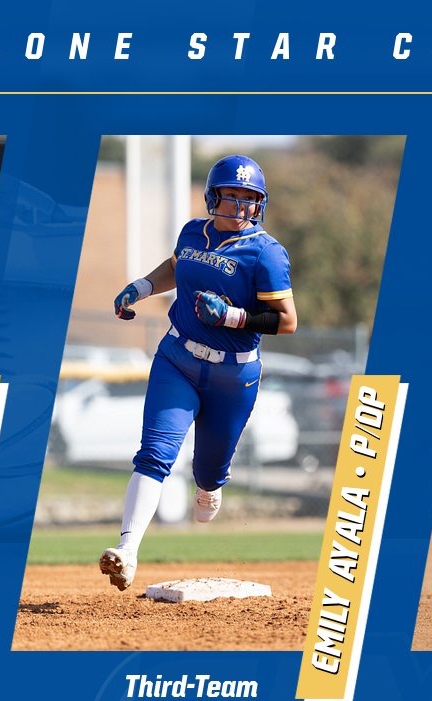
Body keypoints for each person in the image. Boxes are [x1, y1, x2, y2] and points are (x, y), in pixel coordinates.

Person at [99, 154, 297, 591]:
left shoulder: (265, 252)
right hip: (178, 359)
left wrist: (231, 317)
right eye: (234, 194)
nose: (242, 205)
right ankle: (127, 552)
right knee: (155, 453)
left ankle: (210, 485)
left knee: (207, 473)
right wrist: (141, 287)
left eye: (251, 198)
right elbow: (176, 266)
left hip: (233, 374)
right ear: (214, 195)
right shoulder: (194, 231)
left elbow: (286, 321)